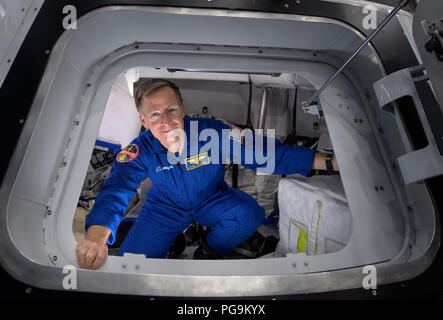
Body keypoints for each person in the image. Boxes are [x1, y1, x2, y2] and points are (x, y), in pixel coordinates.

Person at [76, 78, 338, 270]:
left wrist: (328, 162)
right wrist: (96, 238)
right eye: (155, 115)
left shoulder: (210, 132)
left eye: (171, 110)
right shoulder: (138, 151)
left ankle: (210, 248)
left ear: (182, 108)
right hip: (165, 208)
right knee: (130, 266)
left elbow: (265, 154)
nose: (165, 121)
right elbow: (116, 191)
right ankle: (173, 236)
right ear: (143, 121)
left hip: (212, 198)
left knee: (249, 214)